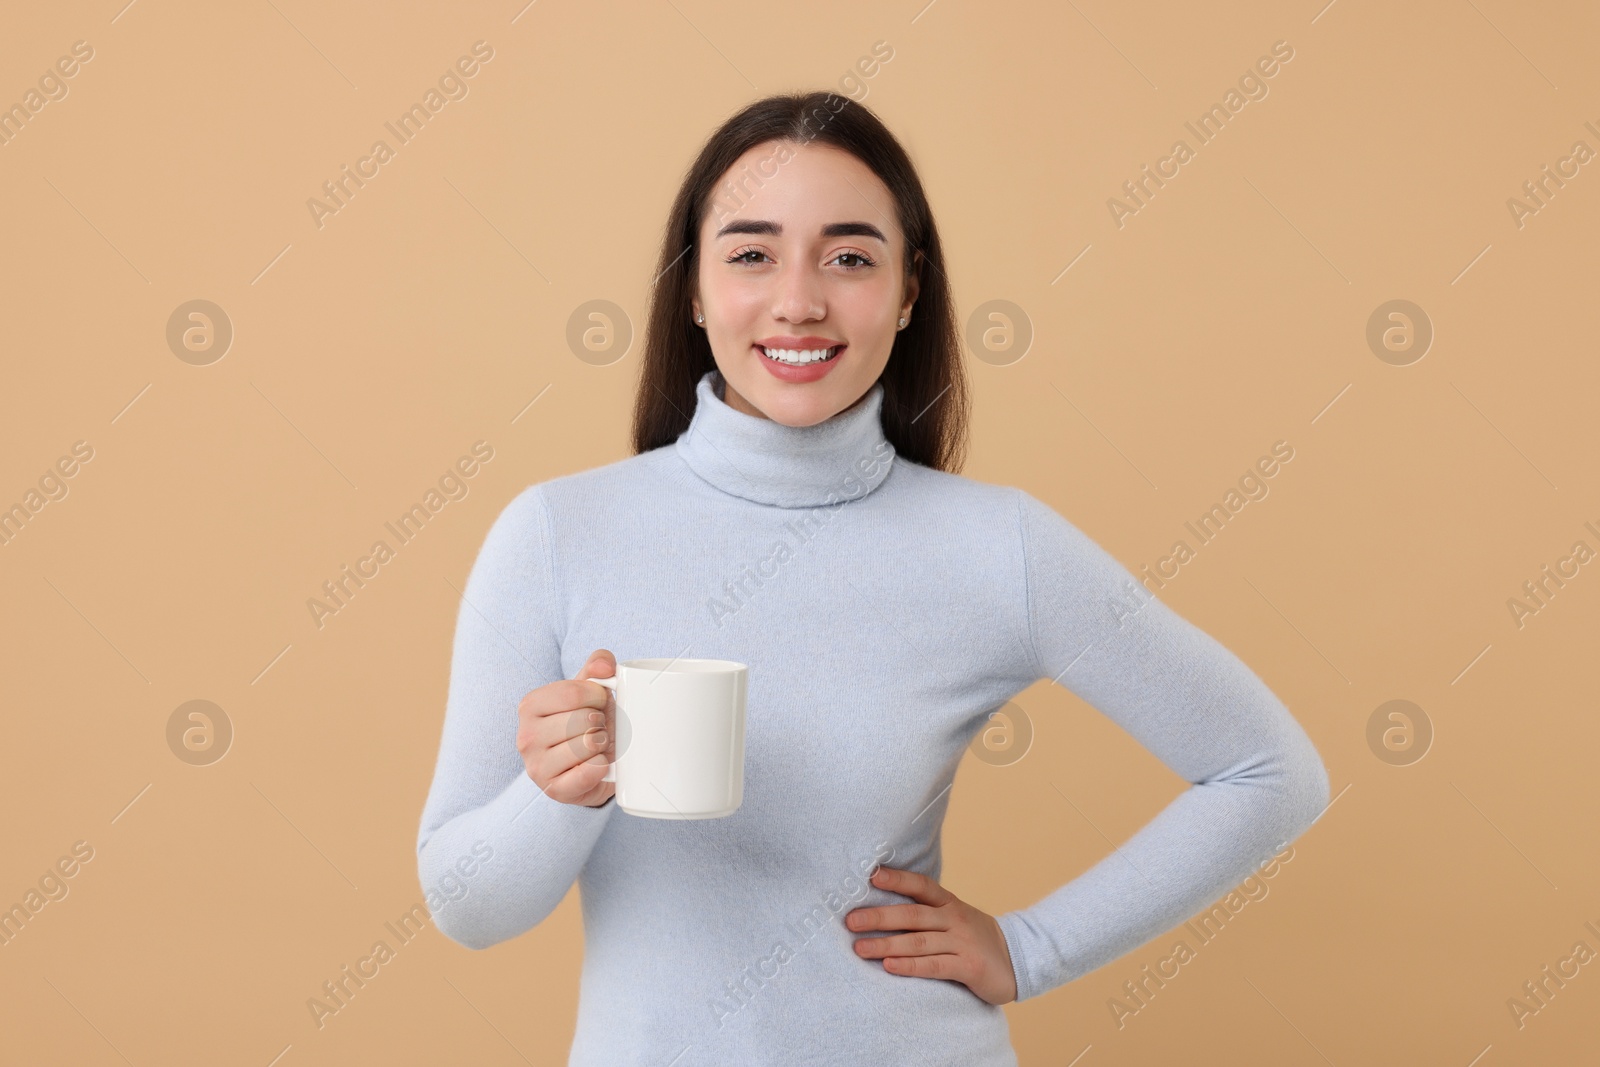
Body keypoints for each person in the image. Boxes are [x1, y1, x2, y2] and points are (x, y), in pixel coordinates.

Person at [416, 90, 1329, 1065]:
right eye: (751, 252)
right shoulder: (560, 532)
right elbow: (469, 909)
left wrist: (1028, 948)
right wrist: (560, 792)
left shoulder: (995, 545)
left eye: (849, 256)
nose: (799, 299)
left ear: (907, 289)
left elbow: (1272, 772)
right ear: (692, 286)